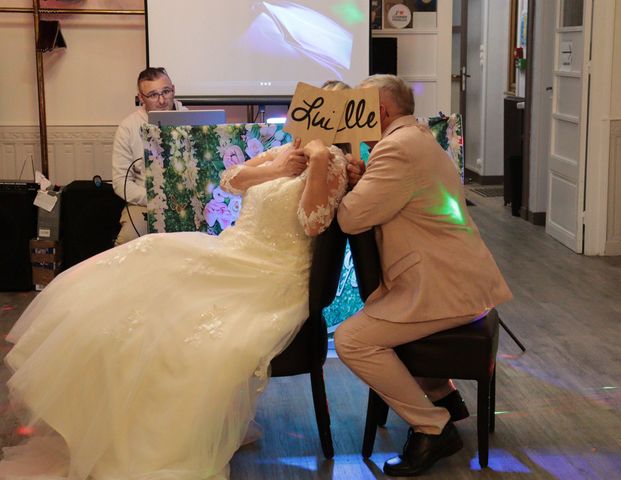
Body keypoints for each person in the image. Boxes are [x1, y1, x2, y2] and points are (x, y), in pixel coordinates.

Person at [0, 133, 348, 478]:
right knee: (147, 260)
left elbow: (313, 223)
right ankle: (113, 419)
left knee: (182, 326)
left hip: (272, 274)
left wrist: (317, 162)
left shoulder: (331, 162)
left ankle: (159, 438)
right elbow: (231, 180)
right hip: (234, 252)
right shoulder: (284, 150)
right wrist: (277, 168)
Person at [334, 74, 512, 477]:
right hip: (454, 277)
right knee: (371, 326)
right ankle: (443, 396)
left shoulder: (396, 149)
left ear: (378, 112)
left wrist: (350, 168)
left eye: (359, 108)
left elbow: (350, 217)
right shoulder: (412, 139)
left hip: (444, 286)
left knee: (351, 340)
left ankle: (433, 427)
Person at [112, 67, 188, 246]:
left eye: (166, 92)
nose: (162, 100)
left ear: (173, 89)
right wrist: (155, 199)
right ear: (141, 98)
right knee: (129, 242)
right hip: (145, 203)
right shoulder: (128, 127)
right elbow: (120, 182)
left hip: (187, 200)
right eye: (153, 95)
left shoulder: (189, 118)